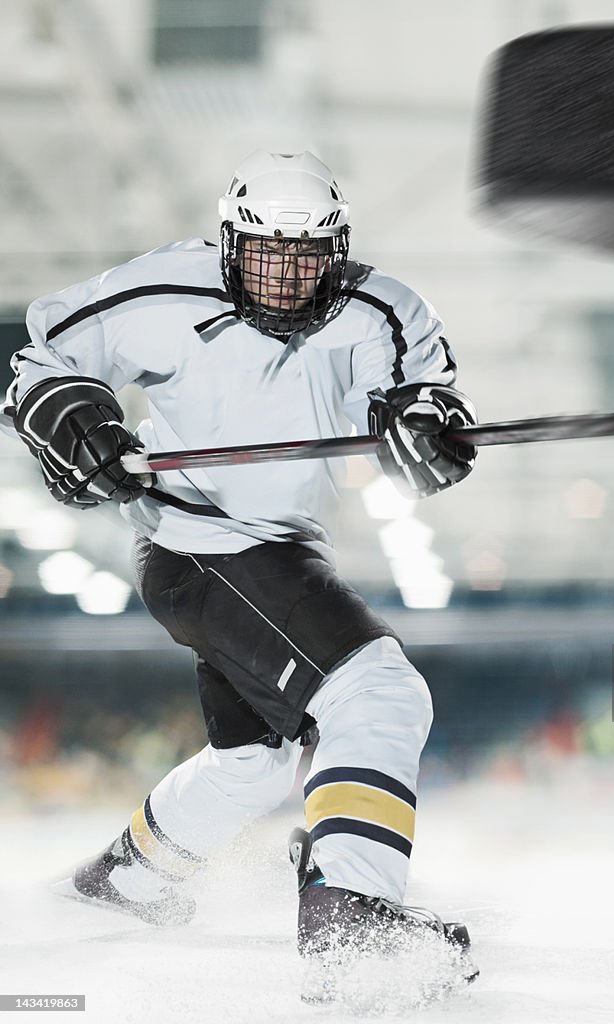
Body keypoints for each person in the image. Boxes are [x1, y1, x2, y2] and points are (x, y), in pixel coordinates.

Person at [1, 150, 479, 993]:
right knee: (378, 693)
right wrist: (77, 418)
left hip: (268, 551)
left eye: (307, 256)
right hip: (203, 545)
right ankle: (351, 917)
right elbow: (39, 363)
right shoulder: (161, 292)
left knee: (253, 760)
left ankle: (129, 878)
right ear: (229, 241)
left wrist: (422, 429)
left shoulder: (380, 309)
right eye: (265, 253)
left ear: (338, 250)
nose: (288, 276)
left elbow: (418, 389)